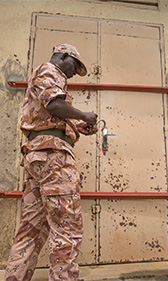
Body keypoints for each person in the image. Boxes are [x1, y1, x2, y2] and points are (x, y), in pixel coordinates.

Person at [5, 44, 98, 281]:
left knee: (31, 230)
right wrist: (83, 115)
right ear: (63, 56)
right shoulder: (50, 70)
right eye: (75, 66)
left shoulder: (47, 76)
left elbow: (48, 117)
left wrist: (75, 127)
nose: (75, 72)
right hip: (53, 158)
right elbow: (55, 105)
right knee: (67, 228)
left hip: (38, 158)